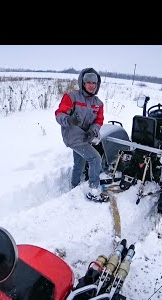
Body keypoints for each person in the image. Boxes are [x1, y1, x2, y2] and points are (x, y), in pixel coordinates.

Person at [55, 68, 109, 202]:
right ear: (83, 83)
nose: (92, 85)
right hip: (73, 136)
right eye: (88, 82)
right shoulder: (72, 96)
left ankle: (74, 186)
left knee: (79, 162)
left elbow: (99, 121)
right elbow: (59, 114)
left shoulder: (98, 103)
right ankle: (94, 190)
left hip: (85, 137)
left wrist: (93, 131)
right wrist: (68, 120)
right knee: (95, 158)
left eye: (94, 83)